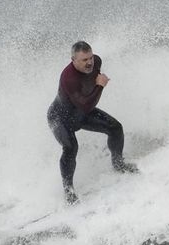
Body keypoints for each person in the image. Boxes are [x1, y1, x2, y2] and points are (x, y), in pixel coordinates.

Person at [47, 41, 137, 203]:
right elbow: (86, 104)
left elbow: (85, 104)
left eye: (90, 58)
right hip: (60, 118)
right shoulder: (69, 78)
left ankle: (118, 164)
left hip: (81, 113)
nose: (89, 63)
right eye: (84, 60)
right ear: (73, 60)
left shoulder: (97, 62)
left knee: (115, 128)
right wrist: (100, 86)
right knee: (70, 147)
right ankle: (69, 191)